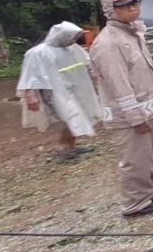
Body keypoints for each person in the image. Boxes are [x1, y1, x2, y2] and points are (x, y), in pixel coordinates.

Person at [89, 0, 153, 217]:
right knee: (134, 158)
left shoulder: (132, 33)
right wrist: (135, 118)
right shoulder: (109, 43)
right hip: (129, 115)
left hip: (148, 108)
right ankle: (134, 203)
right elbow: (118, 84)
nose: (133, 8)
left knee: (151, 152)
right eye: (125, 6)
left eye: (135, 3)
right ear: (112, 10)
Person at [16, 22, 101, 159]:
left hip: (76, 89)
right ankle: (68, 147)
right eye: (72, 37)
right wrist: (30, 95)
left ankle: (70, 145)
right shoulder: (38, 53)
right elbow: (30, 75)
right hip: (55, 93)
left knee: (78, 115)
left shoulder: (72, 48)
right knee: (72, 116)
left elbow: (85, 62)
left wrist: (92, 74)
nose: (74, 41)